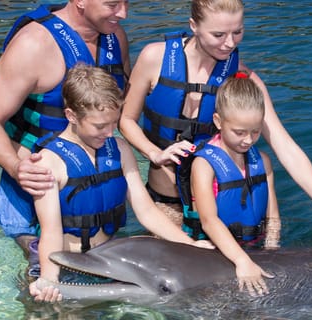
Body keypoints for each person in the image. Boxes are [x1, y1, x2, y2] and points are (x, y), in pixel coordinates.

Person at [118, 0, 312, 248]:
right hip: (167, 203)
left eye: (237, 32)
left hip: (220, 210)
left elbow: (286, 147)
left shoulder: (242, 78)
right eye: (218, 34)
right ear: (194, 25)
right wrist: (155, 153)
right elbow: (127, 120)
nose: (229, 43)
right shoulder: (155, 58)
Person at [27, 64, 213, 303]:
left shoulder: (120, 149)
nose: (109, 132)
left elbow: (146, 211)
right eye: (99, 126)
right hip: (64, 263)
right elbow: (50, 231)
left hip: (105, 264)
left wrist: (190, 246)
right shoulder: (47, 163)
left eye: (113, 123)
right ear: (71, 116)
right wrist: (50, 280)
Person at [0, 0, 131, 274]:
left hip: (89, 191)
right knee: (44, 291)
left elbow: (118, 109)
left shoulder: (114, 37)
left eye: (126, 2)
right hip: (35, 191)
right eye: (112, 4)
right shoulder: (33, 45)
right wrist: (16, 167)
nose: (124, 13)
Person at [188, 73, 279, 296]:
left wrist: (272, 251)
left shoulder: (263, 161)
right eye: (239, 132)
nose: (248, 140)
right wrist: (241, 260)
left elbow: (273, 216)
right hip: (213, 253)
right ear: (219, 122)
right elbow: (209, 221)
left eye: (256, 132)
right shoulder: (204, 165)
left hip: (254, 248)